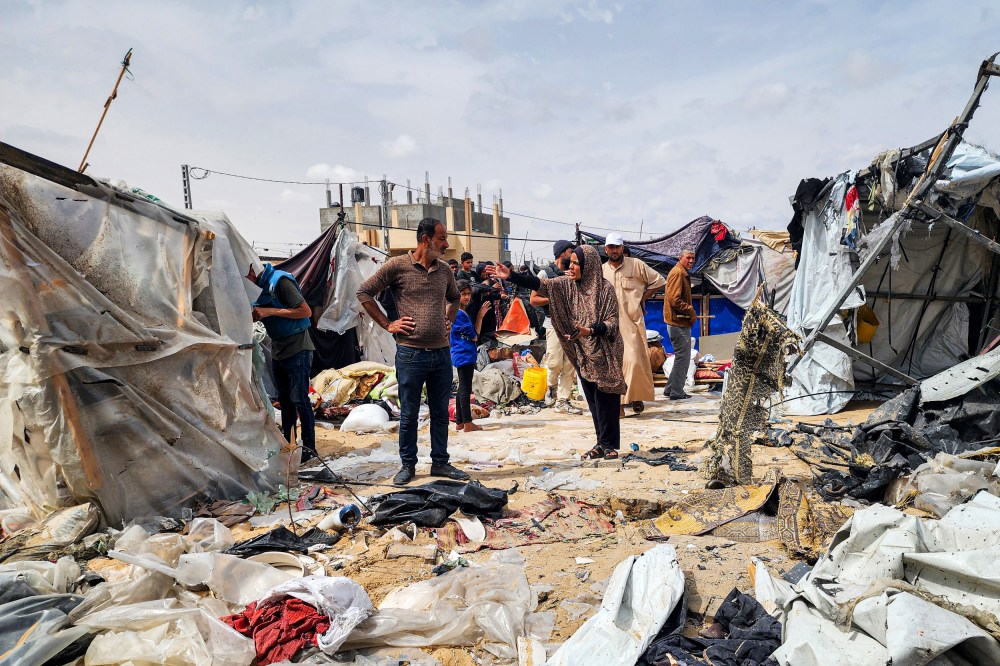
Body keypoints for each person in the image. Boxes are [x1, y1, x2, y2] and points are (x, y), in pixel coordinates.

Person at [357, 218, 470, 485]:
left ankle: (440, 463)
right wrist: (388, 324)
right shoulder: (398, 266)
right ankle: (408, 465)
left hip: (442, 353)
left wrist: (450, 317)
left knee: (441, 411)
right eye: (442, 239)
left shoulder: (444, 271)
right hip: (411, 354)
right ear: (425, 239)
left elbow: (454, 298)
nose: (446, 244)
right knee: (409, 414)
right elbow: (364, 292)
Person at [488, 245, 625, 460]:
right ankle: (601, 443)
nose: (570, 267)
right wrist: (512, 276)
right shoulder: (567, 285)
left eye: (576, 263)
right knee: (592, 399)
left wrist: (590, 330)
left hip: (605, 352)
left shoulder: (605, 289)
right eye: (570, 262)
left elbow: (613, 322)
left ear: (588, 266)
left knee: (606, 398)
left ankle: (609, 444)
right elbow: (541, 284)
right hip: (582, 352)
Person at [245, 261, 317, 462]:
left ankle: (310, 449)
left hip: (298, 346)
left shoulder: (280, 281)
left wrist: (270, 311)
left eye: (245, 275)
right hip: (279, 348)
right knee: (285, 401)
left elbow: (305, 311)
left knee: (300, 399)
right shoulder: (256, 289)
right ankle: (289, 444)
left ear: (252, 269)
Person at [603, 232, 665, 415]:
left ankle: (636, 396)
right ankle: (619, 405)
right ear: (606, 249)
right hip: (610, 324)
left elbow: (659, 281)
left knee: (635, 361)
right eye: (611, 247)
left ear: (622, 248)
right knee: (615, 364)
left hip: (632, 321)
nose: (614, 250)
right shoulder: (601, 270)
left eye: (617, 247)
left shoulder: (636, 265)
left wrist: (644, 298)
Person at [529, 240, 581, 414]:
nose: (573, 254)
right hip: (553, 323)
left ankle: (563, 400)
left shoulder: (573, 273)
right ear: (561, 254)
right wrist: (554, 299)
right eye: (570, 251)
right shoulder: (545, 273)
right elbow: (533, 299)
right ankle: (551, 387)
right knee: (554, 361)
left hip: (572, 324)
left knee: (570, 364)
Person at [451, 279, 491, 432]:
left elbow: (474, 335)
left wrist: (480, 317)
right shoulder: (459, 314)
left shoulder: (460, 312)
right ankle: (468, 423)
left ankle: (460, 422)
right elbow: (475, 336)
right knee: (465, 389)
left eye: (468, 294)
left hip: (462, 353)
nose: (467, 297)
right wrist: (480, 317)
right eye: (463, 294)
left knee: (462, 387)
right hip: (464, 354)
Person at [664, 249, 697, 401]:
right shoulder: (678, 273)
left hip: (678, 321)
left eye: (693, 258)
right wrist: (690, 311)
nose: (691, 261)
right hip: (678, 323)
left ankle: (670, 389)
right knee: (683, 358)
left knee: (681, 358)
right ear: (680, 258)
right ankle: (676, 392)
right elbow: (674, 299)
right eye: (688, 258)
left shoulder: (680, 271)